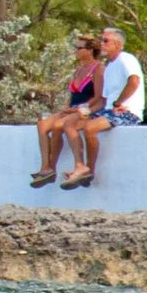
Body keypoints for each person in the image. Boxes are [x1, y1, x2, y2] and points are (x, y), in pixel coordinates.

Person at [63, 27, 144, 191]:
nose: (102, 44)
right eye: (101, 40)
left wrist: (119, 103)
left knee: (90, 128)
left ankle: (89, 170)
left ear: (118, 44)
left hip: (127, 112)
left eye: (106, 41)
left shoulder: (125, 59)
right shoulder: (110, 67)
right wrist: (87, 110)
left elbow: (134, 82)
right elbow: (104, 100)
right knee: (70, 125)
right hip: (108, 111)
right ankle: (80, 167)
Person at [31, 34, 103, 188]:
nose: (75, 50)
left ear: (90, 50)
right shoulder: (79, 69)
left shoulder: (97, 68)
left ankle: (64, 167)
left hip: (86, 108)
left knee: (58, 126)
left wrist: (79, 109)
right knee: (43, 125)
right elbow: (74, 94)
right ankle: (46, 166)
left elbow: (98, 96)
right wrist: (68, 108)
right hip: (73, 107)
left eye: (79, 48)